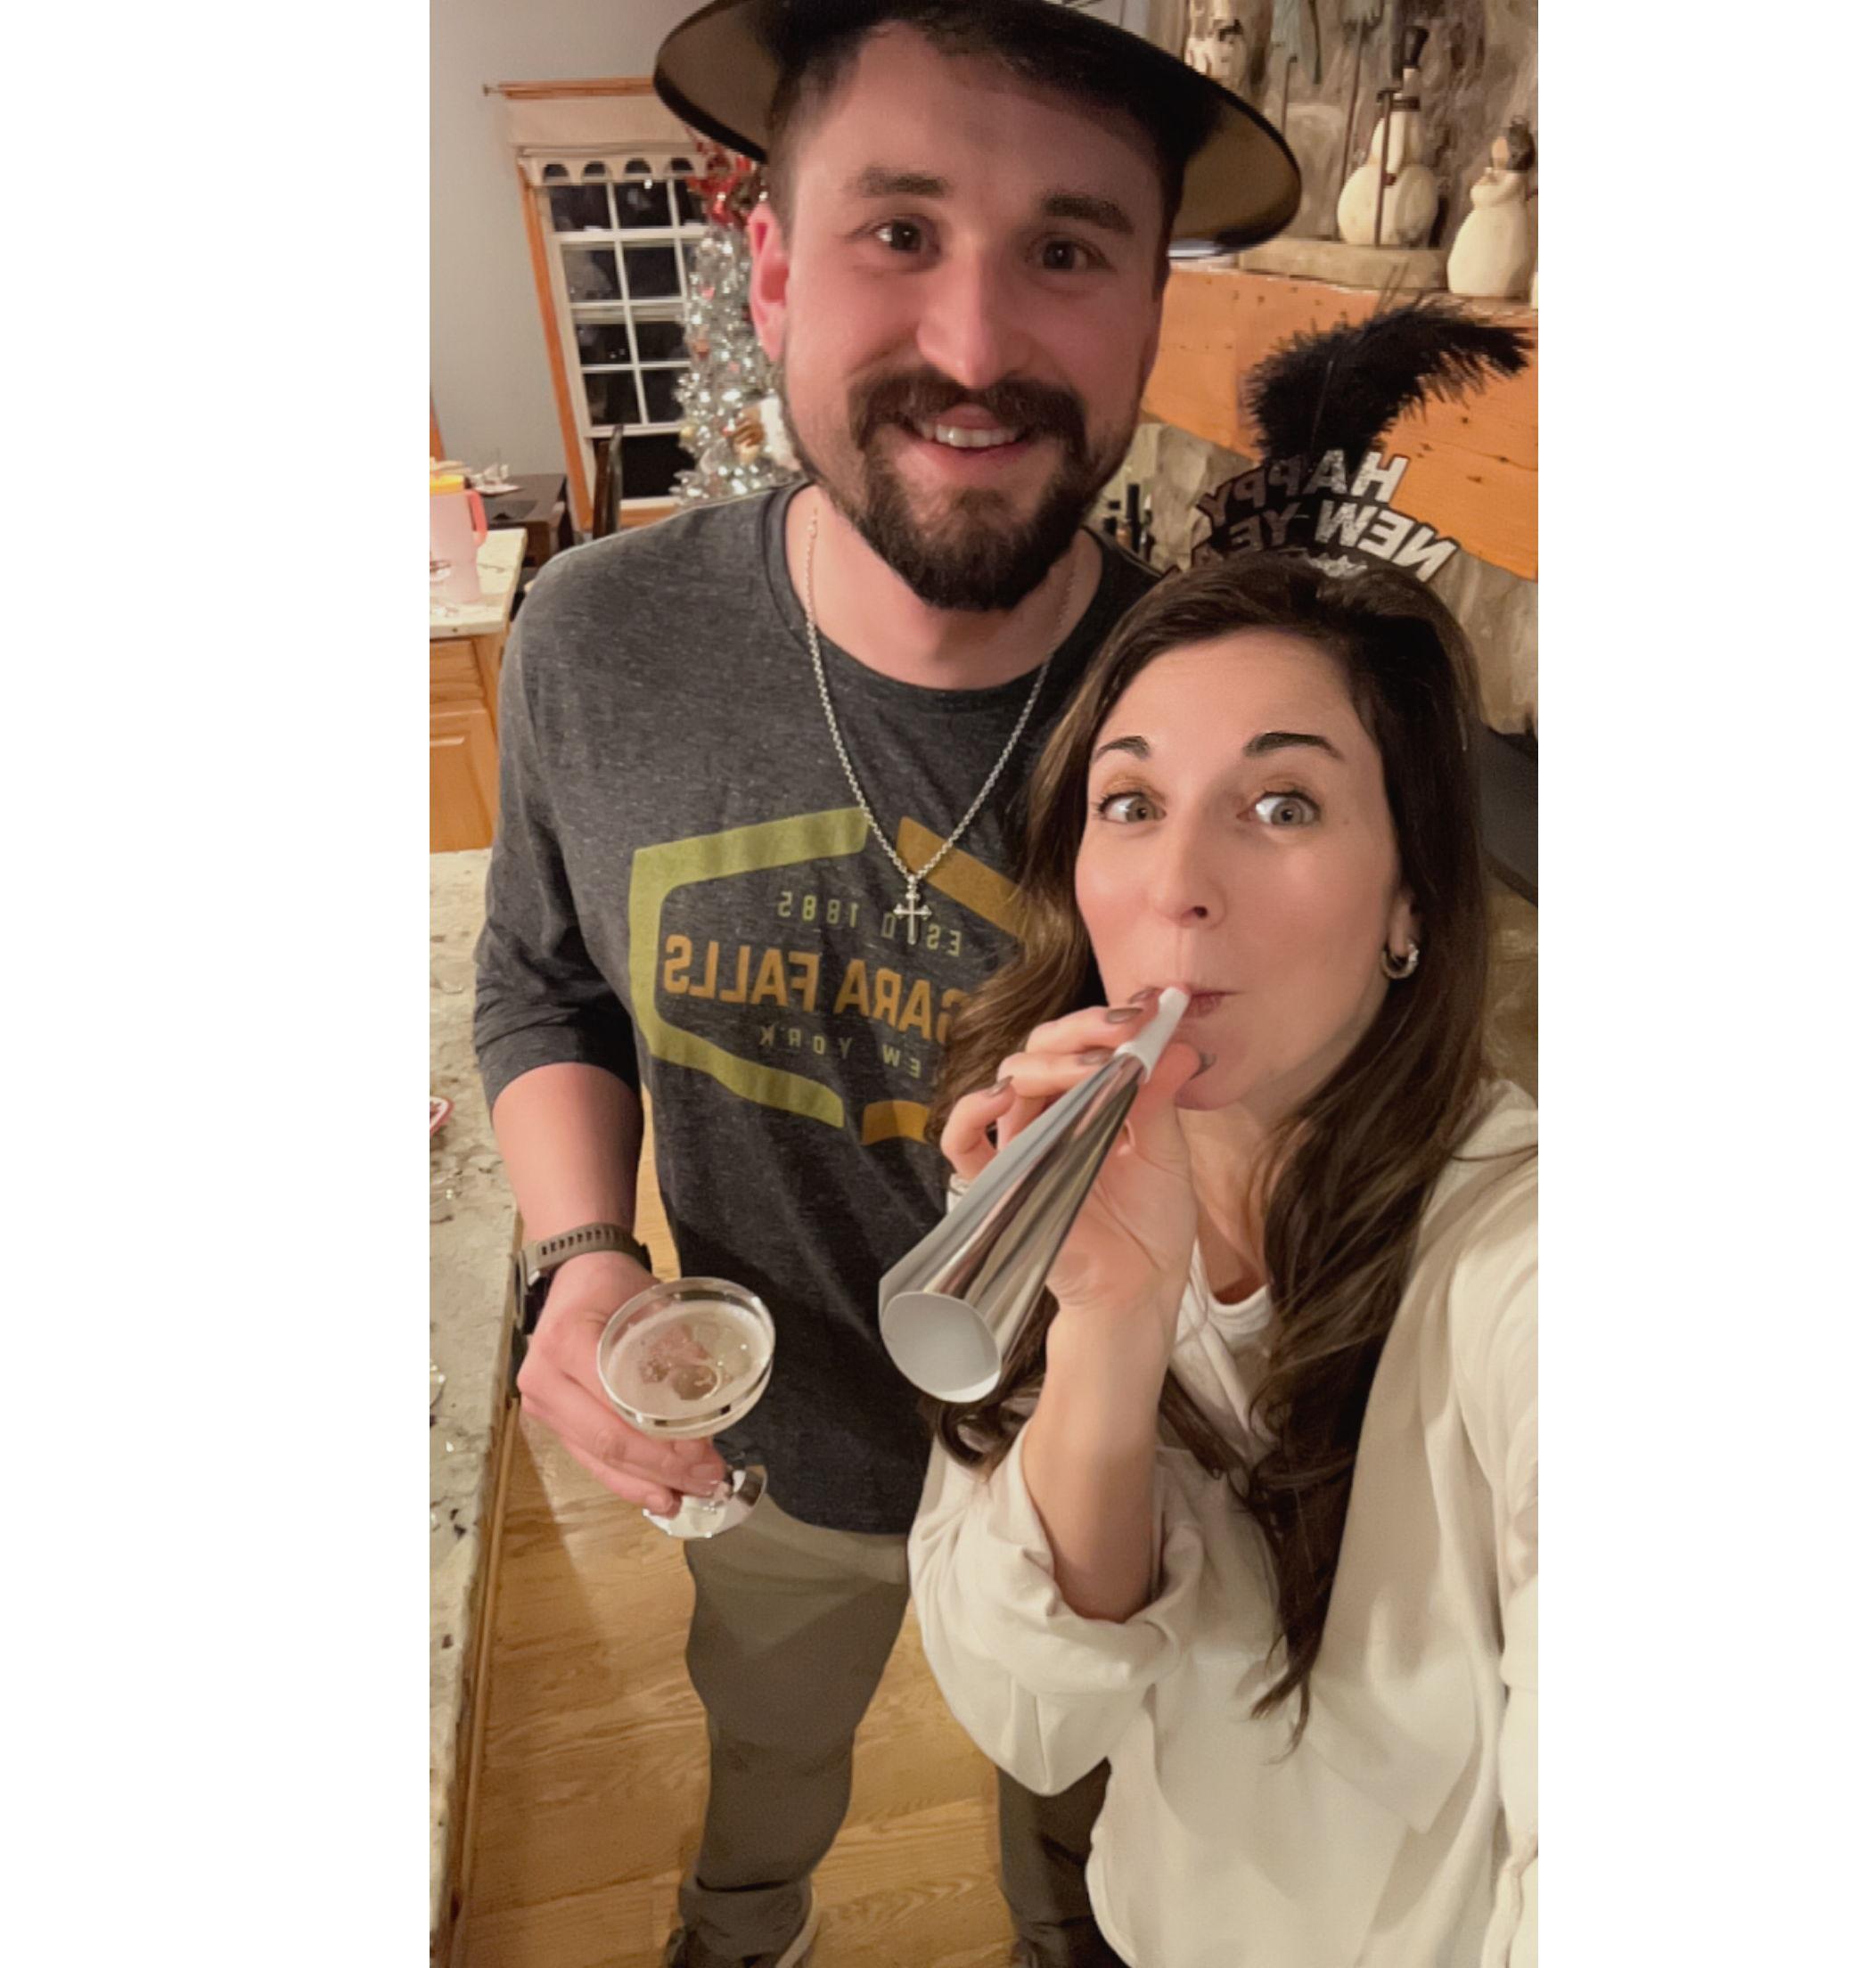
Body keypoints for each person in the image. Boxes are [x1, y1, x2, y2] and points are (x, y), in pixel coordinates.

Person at [472, 5, 1297, 1965]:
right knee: (768, 1759)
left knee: (1082, 1824)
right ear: (770, 265)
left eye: (1070, 248)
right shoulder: (599, 643)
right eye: (898, 231)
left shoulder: (1247, 721)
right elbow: (541, 978)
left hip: (1119, 1476)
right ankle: (742, 1927)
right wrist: (581, 1255)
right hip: (774, 1452)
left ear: (1151, 312)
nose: (978, 343)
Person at [910, 553, 1538, 1967]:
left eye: (1282, 804)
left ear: (1411, 902)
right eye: (1131, 804)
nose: (1178, 886)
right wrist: (1111, 1324)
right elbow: (1029, 1720)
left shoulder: (1524, 1256)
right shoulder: (1046, 1183)